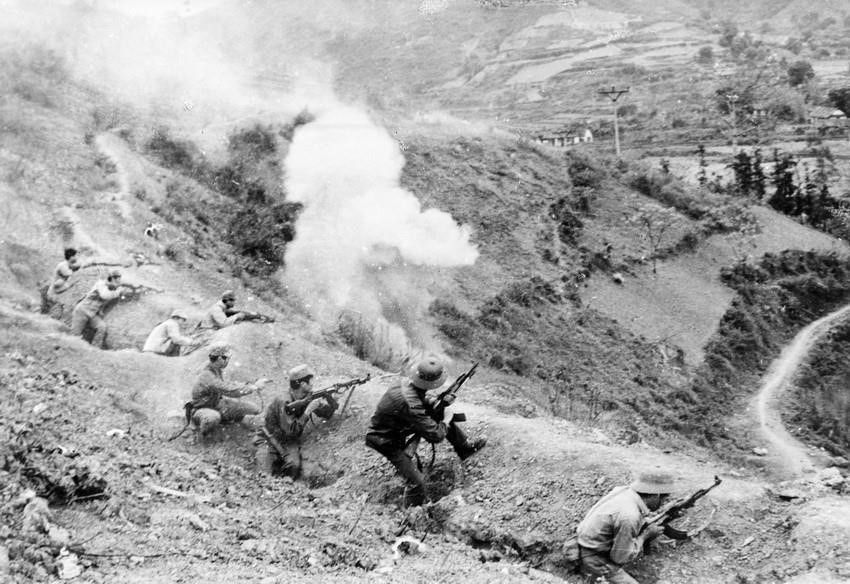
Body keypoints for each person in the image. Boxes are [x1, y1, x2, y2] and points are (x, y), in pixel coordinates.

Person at [365, 356, 487, 507]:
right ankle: (411, 514)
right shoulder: (412, 405)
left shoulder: (406, 383)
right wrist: (446, 420)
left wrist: (436, 401)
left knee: (438, 411)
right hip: (384, 440)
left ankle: (464, 449)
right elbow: (435, 436)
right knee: (418, 483)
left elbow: (419, 398)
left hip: (398, 426)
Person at [576, 471, 676, 584]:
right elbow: (619, 558)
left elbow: (637, 520)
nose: (664, 503)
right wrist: (645, 536)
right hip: (595, 558)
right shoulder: (629, 515)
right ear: (656, 495)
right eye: (664, 499)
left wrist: (668, 514)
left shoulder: (626, 492)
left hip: (589, 544)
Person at [254, 364, 338, 479]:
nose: (312, 384)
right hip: (268, 439)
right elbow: (291, 431)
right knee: (263, 476)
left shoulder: (307, 397)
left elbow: (327, 414)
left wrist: (330, 398)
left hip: (287, 441)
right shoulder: (284, 400)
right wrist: (307, 412)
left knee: (294, 466)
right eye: (310, 381)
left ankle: (285, 486)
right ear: (303, 384)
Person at [190, 343, 265, 440]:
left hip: (217, 403)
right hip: (201, 408)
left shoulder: (214, 368)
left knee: (253, 409)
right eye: (226, 358)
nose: (227, 361)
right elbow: (229, 391)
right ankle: (203, 435)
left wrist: (250, 384)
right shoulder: (207, 375)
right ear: (220, 358)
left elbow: (229, 385)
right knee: (212, 418)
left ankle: (227, 420)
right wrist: (253, 387)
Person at [69, 269, 134, 348]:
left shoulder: (111, 289)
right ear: (111, 279)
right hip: (82, 311)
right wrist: (118, 292)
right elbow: (104, 295)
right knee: (74, 335)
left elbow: (105, 301)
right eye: (116, 281)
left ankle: (95, 347)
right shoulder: (100, 284)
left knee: (102, 327)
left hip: (92, 314)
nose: (117, 284)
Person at [43, 248, 82, 319]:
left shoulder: (66, 264)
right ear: (72, 257)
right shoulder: (63, 266)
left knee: (56, 311)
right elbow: (70, 274)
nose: (77, 257)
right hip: (53, 294)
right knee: (56, 313)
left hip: (55, 294)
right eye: (76, 256)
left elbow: (74, 267)